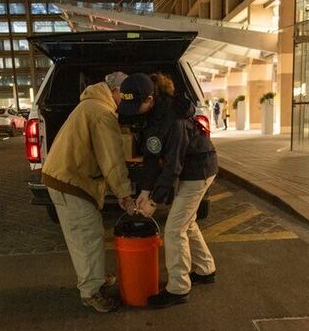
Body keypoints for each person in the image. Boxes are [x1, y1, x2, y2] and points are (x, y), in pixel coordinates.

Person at [118, 73, 219, 309]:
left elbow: (172, 167)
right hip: (188, 169)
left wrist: (153, 200)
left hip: (199, 170)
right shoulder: (152, 116)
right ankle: (206, 270)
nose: (132, 111)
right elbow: (152, 159)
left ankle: (178, 288)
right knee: (187, 222)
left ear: (151, 98)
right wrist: (144, 191)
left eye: (136, 105)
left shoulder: (173, 120)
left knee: (174, 229)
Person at [42, 71, 136, 313]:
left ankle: (94, 277)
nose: (126, 100)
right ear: (114, 91)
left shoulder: (92, 105)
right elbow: (112, 159)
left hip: (65, 177)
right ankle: (92, 292)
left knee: (86, 234)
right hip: (71, 180)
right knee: (87, 236)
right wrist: (125, 194)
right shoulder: (102, 114)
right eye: (124, 95)